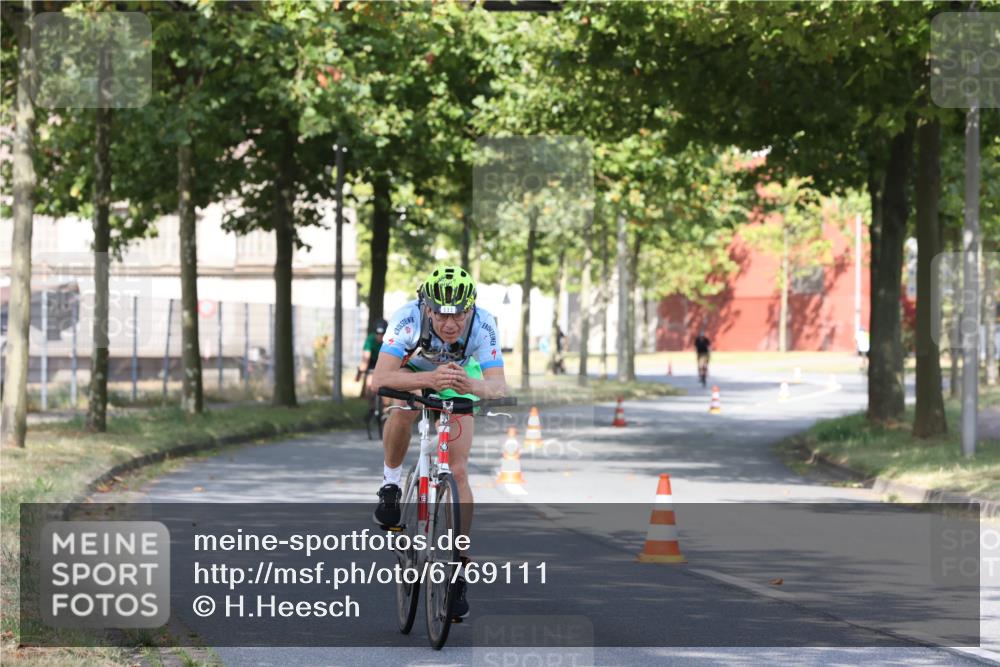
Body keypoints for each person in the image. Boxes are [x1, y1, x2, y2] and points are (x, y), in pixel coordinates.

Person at [370, 265, 507, 619]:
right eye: (442, 315)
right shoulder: (407, 318)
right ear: (427, 308)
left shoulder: (484, 323)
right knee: (403, 408)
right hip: (414, 372)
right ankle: (390, 484)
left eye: (459, 315)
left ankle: (459, 568)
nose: (450, 324)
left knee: (458, 472)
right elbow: (379, 377)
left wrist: (472, 387)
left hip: (459, 378)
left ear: (470, 309)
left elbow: (497, 384)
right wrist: (427, 377)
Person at [356, 319, 388, 399]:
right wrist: (359, 374)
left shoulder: (389, 340)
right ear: (375, 333)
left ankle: (385, 407)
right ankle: (372, 407)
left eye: (382, 334)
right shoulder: (370, 339)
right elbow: (365, 360)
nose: (380, 336)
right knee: (369, 385)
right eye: (377, 333)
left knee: (388, 386)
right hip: (372, 362)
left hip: (385, 361)